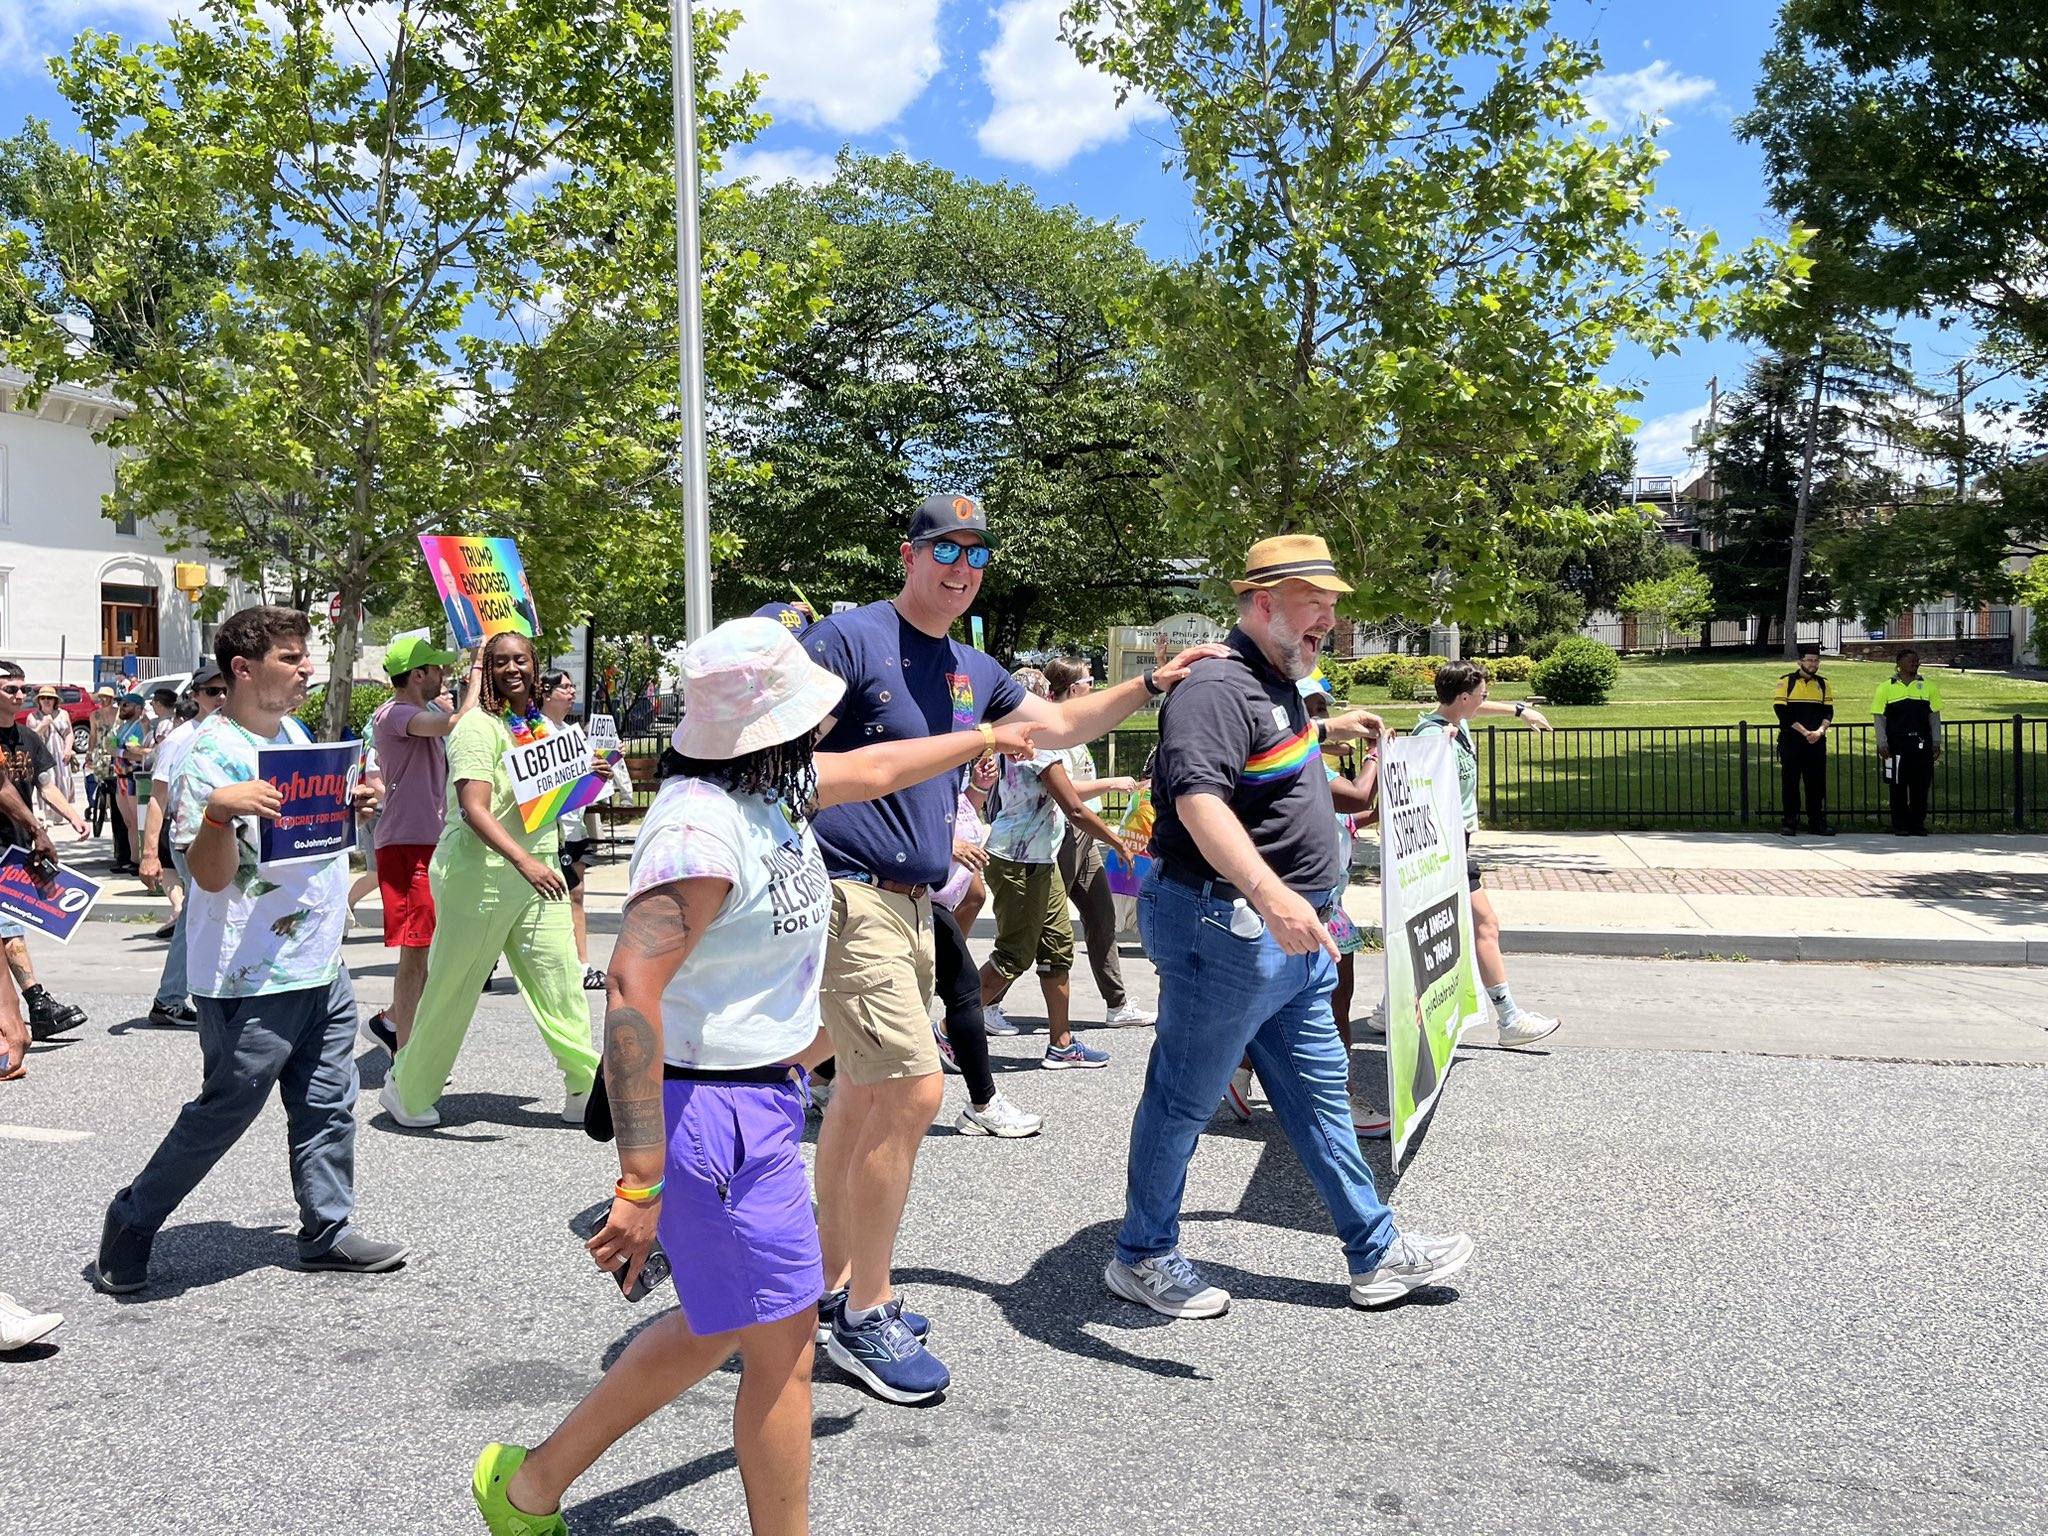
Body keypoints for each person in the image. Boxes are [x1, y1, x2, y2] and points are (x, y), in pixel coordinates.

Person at [469, 617, 1047, 1536]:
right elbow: (629, 990)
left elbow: (887, 769)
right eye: (816, 713)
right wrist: (639, 1177)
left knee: (721, 1325)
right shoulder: (700, 830)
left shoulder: (772, 789)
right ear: (773, 728)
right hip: (710, 1117)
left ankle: (530, 1487)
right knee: (782, 1349)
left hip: (763, 1102)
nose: (832, 727)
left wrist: (987, 735)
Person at [802, 491, 1223, 1404]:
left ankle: (825, 1293)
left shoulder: (972, 665)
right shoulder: (844, 641)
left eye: (977, 553)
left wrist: (1154, 684)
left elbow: (1058, 726)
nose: (961, 567)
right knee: (912, 1090)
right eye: (944, 548)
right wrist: (949, 749)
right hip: (846, 893)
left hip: (919, 905)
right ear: (906, 554)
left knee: (855, 1107)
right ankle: (863, 1314)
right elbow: (792, 768)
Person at [1107, 535, 1473, 1321]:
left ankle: (1374, 1252)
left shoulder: (1281, 686)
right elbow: (1200, 801)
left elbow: (1268, 767)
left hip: (1290, 933)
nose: (1331, 620)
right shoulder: (1214, 688)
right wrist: (1272, 893)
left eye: (1334, 606)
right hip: (1227, 924)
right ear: (1264, 601)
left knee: (1317, 1097)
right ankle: (1140, 1255)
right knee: (1182, 1096)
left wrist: (1329, 731)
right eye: (1317, 604)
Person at [95, 605, 404, 1294]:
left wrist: (359, 805)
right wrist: (217, 812)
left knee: (328, 1102)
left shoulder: (295, 734)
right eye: (291, 658)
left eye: (304, 656)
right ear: (243, 667)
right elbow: (208, 876)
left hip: (318, 961)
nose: (306, 669)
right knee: (225, 1111)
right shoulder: (208, 755)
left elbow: (311, 840)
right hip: (247, 975)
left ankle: (327, 1231)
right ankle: (133, 1221)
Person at [382, 632, 601, 1129]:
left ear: (535, 664)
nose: (511, 669)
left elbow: (551, 799)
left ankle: (586, 1087)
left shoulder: (544, 726)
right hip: (479, 873)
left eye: (520, 659)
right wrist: (524, 861)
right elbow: (473, 808)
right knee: (454, 989)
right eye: (499, 662)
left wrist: (592, 776)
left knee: (560, 980)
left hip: (540, 871)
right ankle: (408, 1088)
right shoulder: (477, 727)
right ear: (489, 670)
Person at [975, 665, 1137, 1069]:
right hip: (1018, 862)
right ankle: (950, 1029)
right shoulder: (1038, 747)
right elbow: (1076, 809)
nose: (1050, 701)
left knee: (1058, 949)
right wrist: (1118, 840)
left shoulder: (1012, 741)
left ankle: (1062, 1043)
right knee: (1014, 955)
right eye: (1043, 695)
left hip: (1036, 859)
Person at [1409, 659, 1562, 1049]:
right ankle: (1509, 1019)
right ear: (1463, 697)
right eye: (1481, 695)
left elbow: (1483, 707)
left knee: (1432, 932)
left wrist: (1521, 710)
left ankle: (1385, 1010)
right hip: (1444, 850)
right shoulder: (1431, 736)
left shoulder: (1458, 722)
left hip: (1456, 846)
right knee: (1485, 926)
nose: (1485, 700)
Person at [359, 635, 467, 1054]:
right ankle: (405, 1055)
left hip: (430, 844)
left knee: (431, 953)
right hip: (406, 847)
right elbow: (455, 724)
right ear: (418, 674)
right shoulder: (394, 713)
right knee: (415, 956)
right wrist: (476, 672)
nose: (444, 676)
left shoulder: (420, 711)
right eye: (437, 669)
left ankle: (393, 1025)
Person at [932, 754, 1041, 1136]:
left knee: (958, 993)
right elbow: (898, 826)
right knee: (961, 994)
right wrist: (946, 844)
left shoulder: (948, 778)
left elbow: (959, 815)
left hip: (930, 902)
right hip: (907, 900)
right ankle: (984, 1104)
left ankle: (819, 1078)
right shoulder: (919, 766)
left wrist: (978, 789)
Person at [1042, 657, 1152, 1028]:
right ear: (1073, 690)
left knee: (1102, 917)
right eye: (1090, 681)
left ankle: (1117, 1005)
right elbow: (1067, 793)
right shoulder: (1054, 732)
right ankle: (985, 1001)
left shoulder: (1074, 728)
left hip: (1084, 837)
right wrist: (1111, 783)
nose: (1094, 687)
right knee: (1036, 932)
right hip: (1064, 837)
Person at [0, 662, 92, 1040]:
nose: (20, 695)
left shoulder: (27, 738)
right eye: (11, 689)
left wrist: (73, 817)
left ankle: (29, 1010)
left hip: (16, 845)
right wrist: (39, 829)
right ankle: (37, 1003)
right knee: (8, 925)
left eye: (23, 689)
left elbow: (45, 785)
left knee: (8, 924)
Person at [138, 663, 229, 1028]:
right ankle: (171, 998)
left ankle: (189, 994)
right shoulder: (180, 738)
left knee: (205, 916)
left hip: (225, 833)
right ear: (195, 696)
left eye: (225, 690)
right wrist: (148, 854)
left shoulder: (231, 732)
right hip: (190, 836)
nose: (220, 697)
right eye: (212, 691)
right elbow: (158, 798)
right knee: (197, 916)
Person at [537, 667, 612, 990]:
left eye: (572, 687)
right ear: (546, 692)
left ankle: (581, 967)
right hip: (547, 831)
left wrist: (602, 770)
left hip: (573, 828)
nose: (571, 693)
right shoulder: (534, 731)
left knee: (575, 894)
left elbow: (587, 780)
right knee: (553, 898)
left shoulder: (573, 732)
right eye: (564, 687)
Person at [1873, 649, 1942, 837]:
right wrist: (1882, 743)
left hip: (1921, 743)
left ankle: (1917, 824)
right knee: (1897, 786)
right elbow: (1879, 718)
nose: (1915, 663)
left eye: (1917, 660)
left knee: (1920, 786)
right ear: (1899, 663)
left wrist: (1936, 741)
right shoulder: (1885, 687)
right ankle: (1900, 824)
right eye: (1911, 660)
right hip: (1896, 744)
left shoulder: (1928, 686)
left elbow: (1934, 716)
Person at [1774, 645, 1835, 837]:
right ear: (1800, 662)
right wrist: (1805, 732)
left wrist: (1819, 731)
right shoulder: (1786, 681)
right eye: (1809, 660)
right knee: (1790, 782)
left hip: (1816, 741)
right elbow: (1781, 712)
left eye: (1816, 661)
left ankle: (1817, 822)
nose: (1813, 664)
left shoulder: (1824, 684)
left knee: (1816, 783)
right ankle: (1790, 822)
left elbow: (1828, 712)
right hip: (1792, 740)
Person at [109, 692, 150, 875]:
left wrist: (118, 752)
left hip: (133, 776)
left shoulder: (138, 728)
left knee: (137, 820)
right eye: (121, 704)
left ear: (138, 708)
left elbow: (138, 753)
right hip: (121, 777)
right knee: (129, 821)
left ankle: (140, 859)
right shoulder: (123, 726)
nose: (122, 708)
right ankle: (132, 858)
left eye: (126, 705)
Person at [28, 687, 75, 824]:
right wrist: (43, 724)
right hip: (43, 754)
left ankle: (62, 813)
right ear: (39, 701)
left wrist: (68, 748)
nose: (46, 701)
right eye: (43, 698)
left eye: (50, 698)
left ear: (55, 700)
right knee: (46, 781)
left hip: (61, 753)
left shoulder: (63, 714)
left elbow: (69, 733)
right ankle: (48, 815)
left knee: (63, 781)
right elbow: (32, 737)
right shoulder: (33, 717)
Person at [86, 685, 118, 838]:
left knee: (115, 782)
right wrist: (89, 752)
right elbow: (92, 735)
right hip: (100, 750)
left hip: (114, 750)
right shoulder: (95, 715)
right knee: (101, 781)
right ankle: (103, 808)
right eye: (102, 697)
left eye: (107, 697)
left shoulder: (118, 714)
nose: (104, 700)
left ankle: (113, 809)